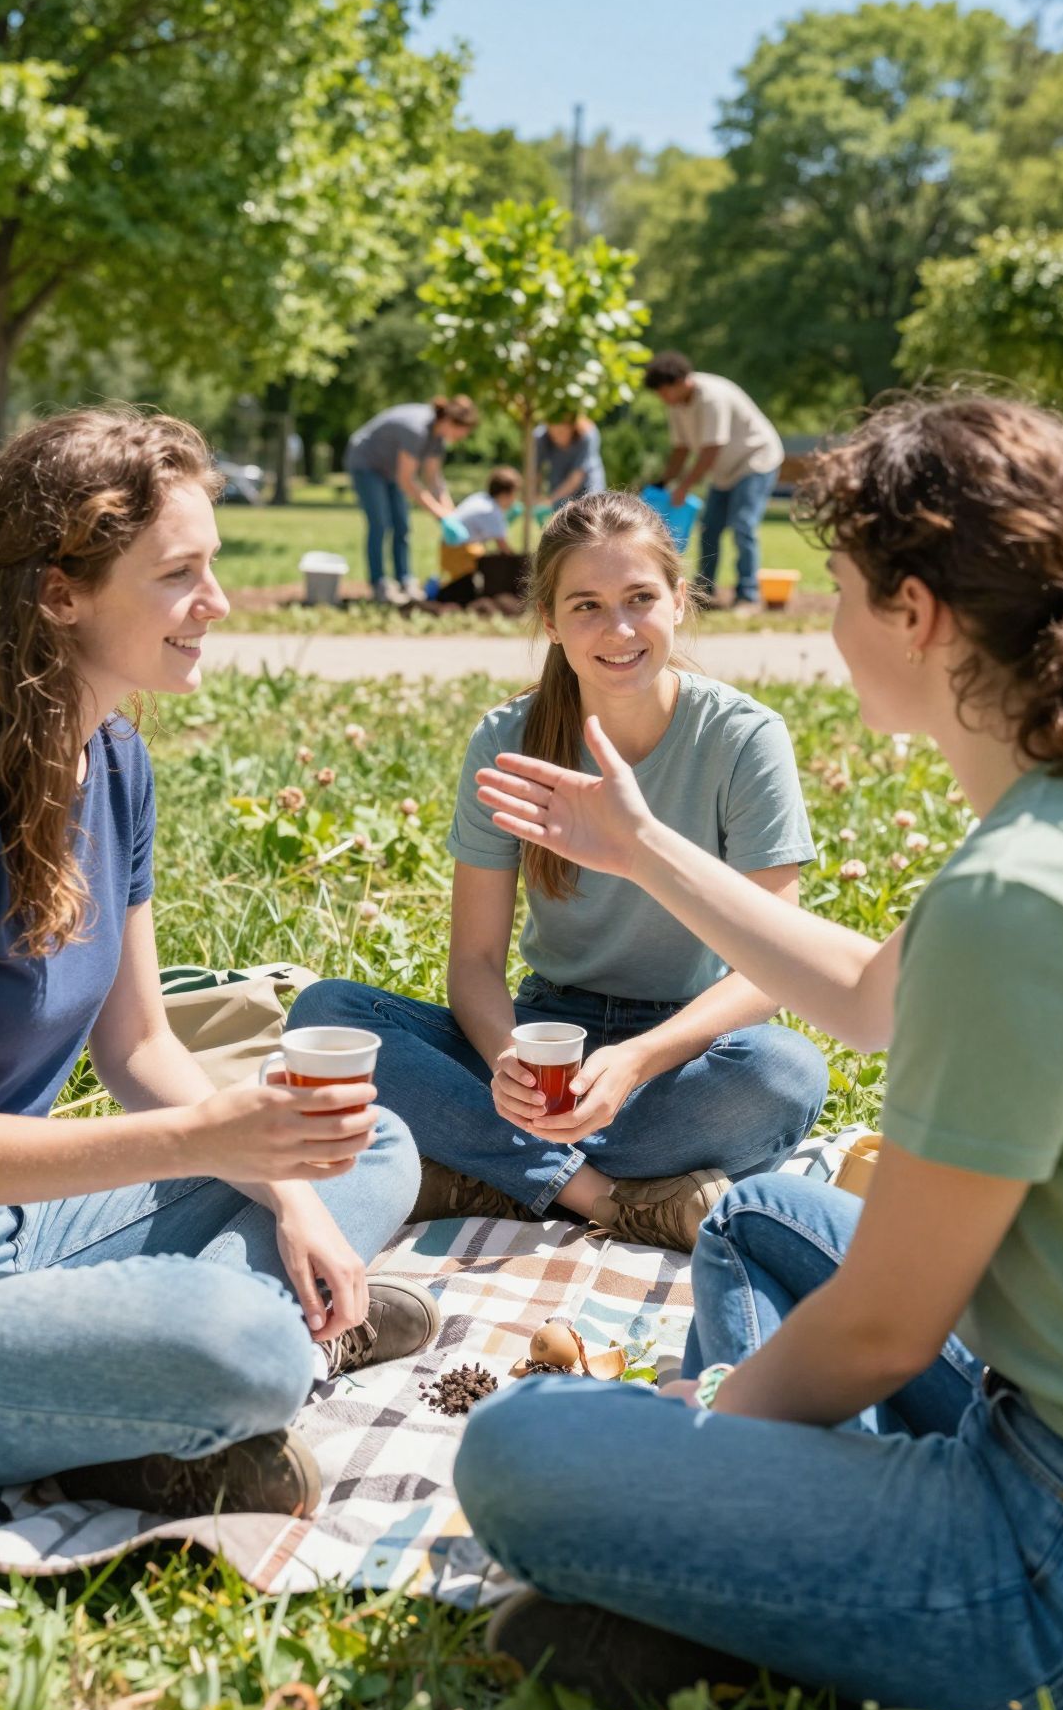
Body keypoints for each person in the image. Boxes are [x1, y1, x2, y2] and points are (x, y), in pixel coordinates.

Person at [455, 394, 1063, 1710]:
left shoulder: (1012, 899)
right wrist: (643, 846)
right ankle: (775, 1541)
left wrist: (693, 1445)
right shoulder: (1031, 836)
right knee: (766, 1213)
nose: (824, 621)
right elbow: (860, 996)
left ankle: (750, 1585)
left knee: (517, 1454)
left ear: (916, 613)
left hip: (1042, 1551)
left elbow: (883, 1329)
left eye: (840, 589)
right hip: (1027, 1407)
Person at [0, 407, 433, 1518]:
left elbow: (142, 1044)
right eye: (180, 573)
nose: (219, 601)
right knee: (243, 1337)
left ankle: (126, 1389)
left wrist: (285, 1196)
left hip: (26, 1217)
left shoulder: (113, 755)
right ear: (61, 591)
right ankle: (202, 1366)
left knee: (362, 1144)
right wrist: (206, 1141)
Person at [292, 491, 826, 1250]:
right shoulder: (509, 739)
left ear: (678, 600)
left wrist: (635, 1062)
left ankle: (489, 1172)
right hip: (544, 1037)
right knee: (326, 1014)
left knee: (786, 1074)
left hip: (683, 1050)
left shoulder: (744, 740)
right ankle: (605, 1197)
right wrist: (510, 1062)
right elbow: (474, 961)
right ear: (549, 621)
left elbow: (775, 970)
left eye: (641, 598)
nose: (619, 629)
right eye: (587, 606)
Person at [644, 352, 783, 613]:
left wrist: (685, 486)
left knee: (743, 525)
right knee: (710, 527)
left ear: (680, 382)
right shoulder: (676, 406)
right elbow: (681, 449)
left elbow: (711, 449)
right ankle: (705, 592)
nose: (662, 398)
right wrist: (663, 482)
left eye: (664, 391)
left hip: (755, 460)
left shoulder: (712, 396)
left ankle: (748, 596)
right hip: (724, 470)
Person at [344, 394, 477, 601]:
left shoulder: (438, 439)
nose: (462, 438)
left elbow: (434, 480)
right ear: (450, 421)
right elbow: (407, 480)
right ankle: (379, 584)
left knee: (402, 525)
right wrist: (440, 516)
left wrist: (452, 515)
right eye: (462, 432)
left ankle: (405, 580)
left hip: (391, 470)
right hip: (367, 463)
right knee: (380, 523)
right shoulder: (417, 429)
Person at [438, 465, 522, 588]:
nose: (514, 500)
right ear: (505, 495)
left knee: (482, 553)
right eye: (514, 495)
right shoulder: (492, 511)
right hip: (457, 553)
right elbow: (503, 547)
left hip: (447, 547)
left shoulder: (481, 497)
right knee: (462, 585)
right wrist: (519, 565)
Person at [534, 415, 606, 508]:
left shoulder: (587, 434)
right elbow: (535, 471)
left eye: (562, 432)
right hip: (559, 485)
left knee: (590, 512)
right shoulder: (540, 437)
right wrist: (535, 497)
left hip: (589, 485)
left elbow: (576, 477)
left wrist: (550, 501)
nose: (558, 437)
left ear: (573, 426)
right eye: (554, 433)